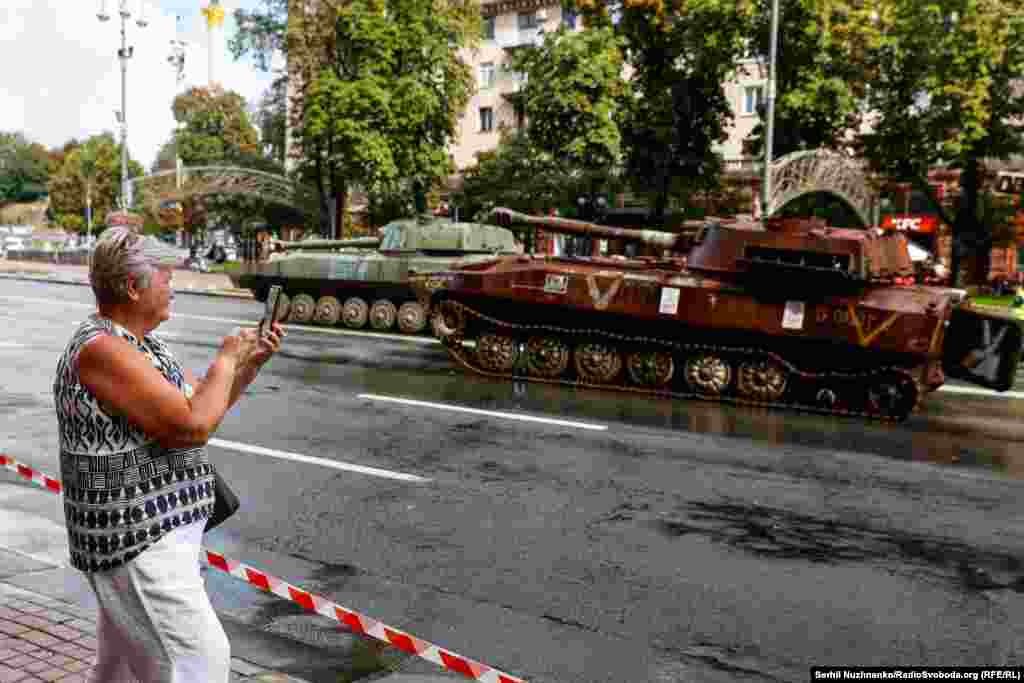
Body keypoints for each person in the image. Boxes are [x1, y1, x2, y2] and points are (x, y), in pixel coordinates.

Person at [52, 227, 285, 682]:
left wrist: (247, 366)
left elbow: (198, 407)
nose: (173, 285)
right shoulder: (101, 349)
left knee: (116, 670)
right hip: (136, 539)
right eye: (166, 277)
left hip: (154, 533)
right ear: (134, 287)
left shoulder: (138, 344)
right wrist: (225, 359)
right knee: (197, 662)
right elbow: (191, 427)